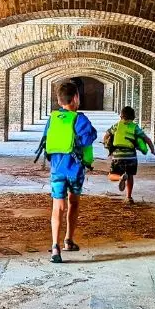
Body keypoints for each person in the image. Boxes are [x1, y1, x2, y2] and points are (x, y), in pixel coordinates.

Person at [35, 79, 97, 262]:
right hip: (75, 170)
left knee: (57, 207)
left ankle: (55, 247)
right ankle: (68, 240)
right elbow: (89, 138)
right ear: (76, 97)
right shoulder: (80, 118)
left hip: (56, 169)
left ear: (59, 99)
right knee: (73, 203)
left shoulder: (53, 118)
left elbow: (45, 139)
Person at [104, 105, 155, 203]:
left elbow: (106, 136)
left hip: (118, 156)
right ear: (133, 118)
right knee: (130, 176)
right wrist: (152, 150)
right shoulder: (135, 127)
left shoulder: (116, 126)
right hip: (131, 157)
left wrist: (107, 147)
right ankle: (128, 197)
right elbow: (147, 139)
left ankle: (120, 177)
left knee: (111, 175)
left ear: (121, 116)